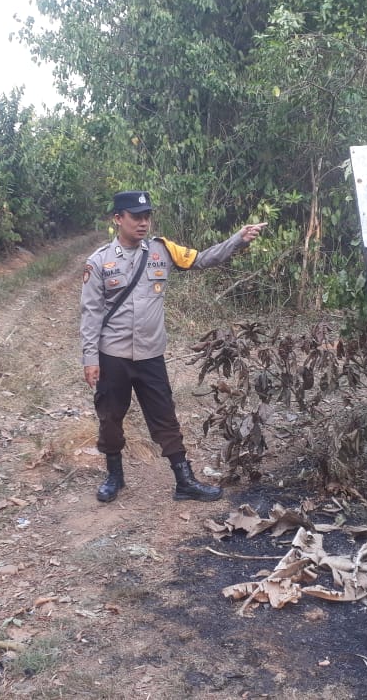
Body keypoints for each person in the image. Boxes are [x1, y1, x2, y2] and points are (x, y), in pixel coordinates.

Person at [80, 190, 266, 503]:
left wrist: (238, 239)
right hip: (113, 355)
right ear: (117, 219)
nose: (143, 223)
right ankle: (114, 475)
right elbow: (90, 312)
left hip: (151, 354)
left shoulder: (162, 250)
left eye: (146, 217)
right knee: (110, 417)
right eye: (135, 217)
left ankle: (184, 480)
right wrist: (89, 358)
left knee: (165, 417)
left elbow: (204, 259)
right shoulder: (99, 261)